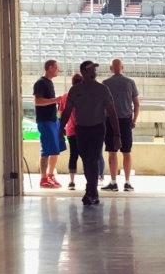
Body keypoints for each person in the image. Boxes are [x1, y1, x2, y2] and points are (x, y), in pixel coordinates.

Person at [58, 61, 121, 206]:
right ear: (83, 72)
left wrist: (117, 134)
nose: (94, 72)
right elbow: (67, 110)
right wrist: (61, 127)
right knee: (86, 161)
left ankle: (89, 192)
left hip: (97, 129)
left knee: (92, 159)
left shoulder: (102, 89)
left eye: (94, 69)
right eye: (91, 69)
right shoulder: (75, 91)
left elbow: (112, 112)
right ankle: (93, 192)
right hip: (81, 129)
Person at [59, 73, 107, 191]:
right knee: (93, 156)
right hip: (85, 129)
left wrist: (61, 128)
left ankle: (72, 181)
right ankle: (96, 179)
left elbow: (62, 113)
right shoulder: (88, 94)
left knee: (73, 155)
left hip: (71, 129)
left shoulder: (65, 96)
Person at [102, 59, 140, 192]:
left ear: (111, 68)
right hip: (125, 120)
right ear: (122, 67)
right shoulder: (130, 82)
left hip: (110, 120)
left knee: (112, 152)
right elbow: (136, 104)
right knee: (126, 152)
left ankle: (113, 182)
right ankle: (127, 182)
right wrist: (134, 120)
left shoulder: (105, 83)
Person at [33, 59, 65, 189]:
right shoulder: (40, 83)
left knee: (55, 149)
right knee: (46, 149)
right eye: (57, 68)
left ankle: (50, 175)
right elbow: (37, 101)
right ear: (50, 68)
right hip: (45, 121)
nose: (58, 70)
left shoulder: (50, 83)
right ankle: (43, 178)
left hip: (53, 120)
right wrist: (55, 100)